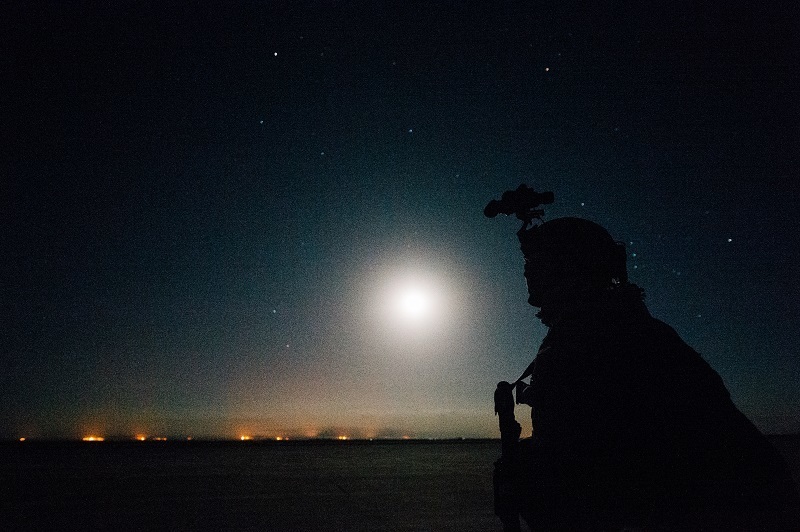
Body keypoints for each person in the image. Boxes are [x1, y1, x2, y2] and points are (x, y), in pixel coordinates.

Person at [489, 199, 799, 530]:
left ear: (574, 270)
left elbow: (610, 469)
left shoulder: (604, 340)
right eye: (529, 271)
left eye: (539, 269)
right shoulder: (612, 330)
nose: (531, 286)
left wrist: (534, 475)